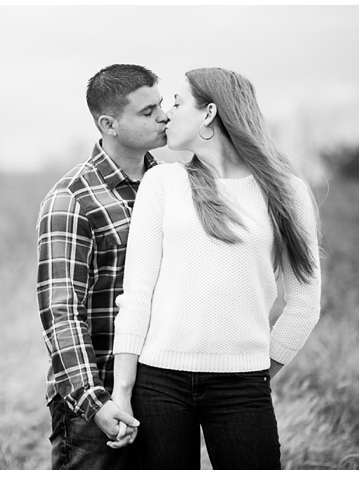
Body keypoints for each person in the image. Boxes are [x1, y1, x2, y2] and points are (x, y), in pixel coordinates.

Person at [109, 67, 322, 469]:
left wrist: (258, 373)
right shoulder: (163, 184)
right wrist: (123, 390)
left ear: (208, 113)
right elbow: (136, 293)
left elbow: (305, 303)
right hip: (159, 382)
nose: (167, 114)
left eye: (176, 102)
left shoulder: (288, 193)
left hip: (243, 385)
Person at [36, 63, 168, 469]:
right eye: (147, 112)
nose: (164, 116)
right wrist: (95, 402)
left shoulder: (172, 188)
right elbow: (62, 312)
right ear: (109, 124)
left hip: (165, 393)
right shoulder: (72, 199)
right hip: (97, 402)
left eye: (162, 105)